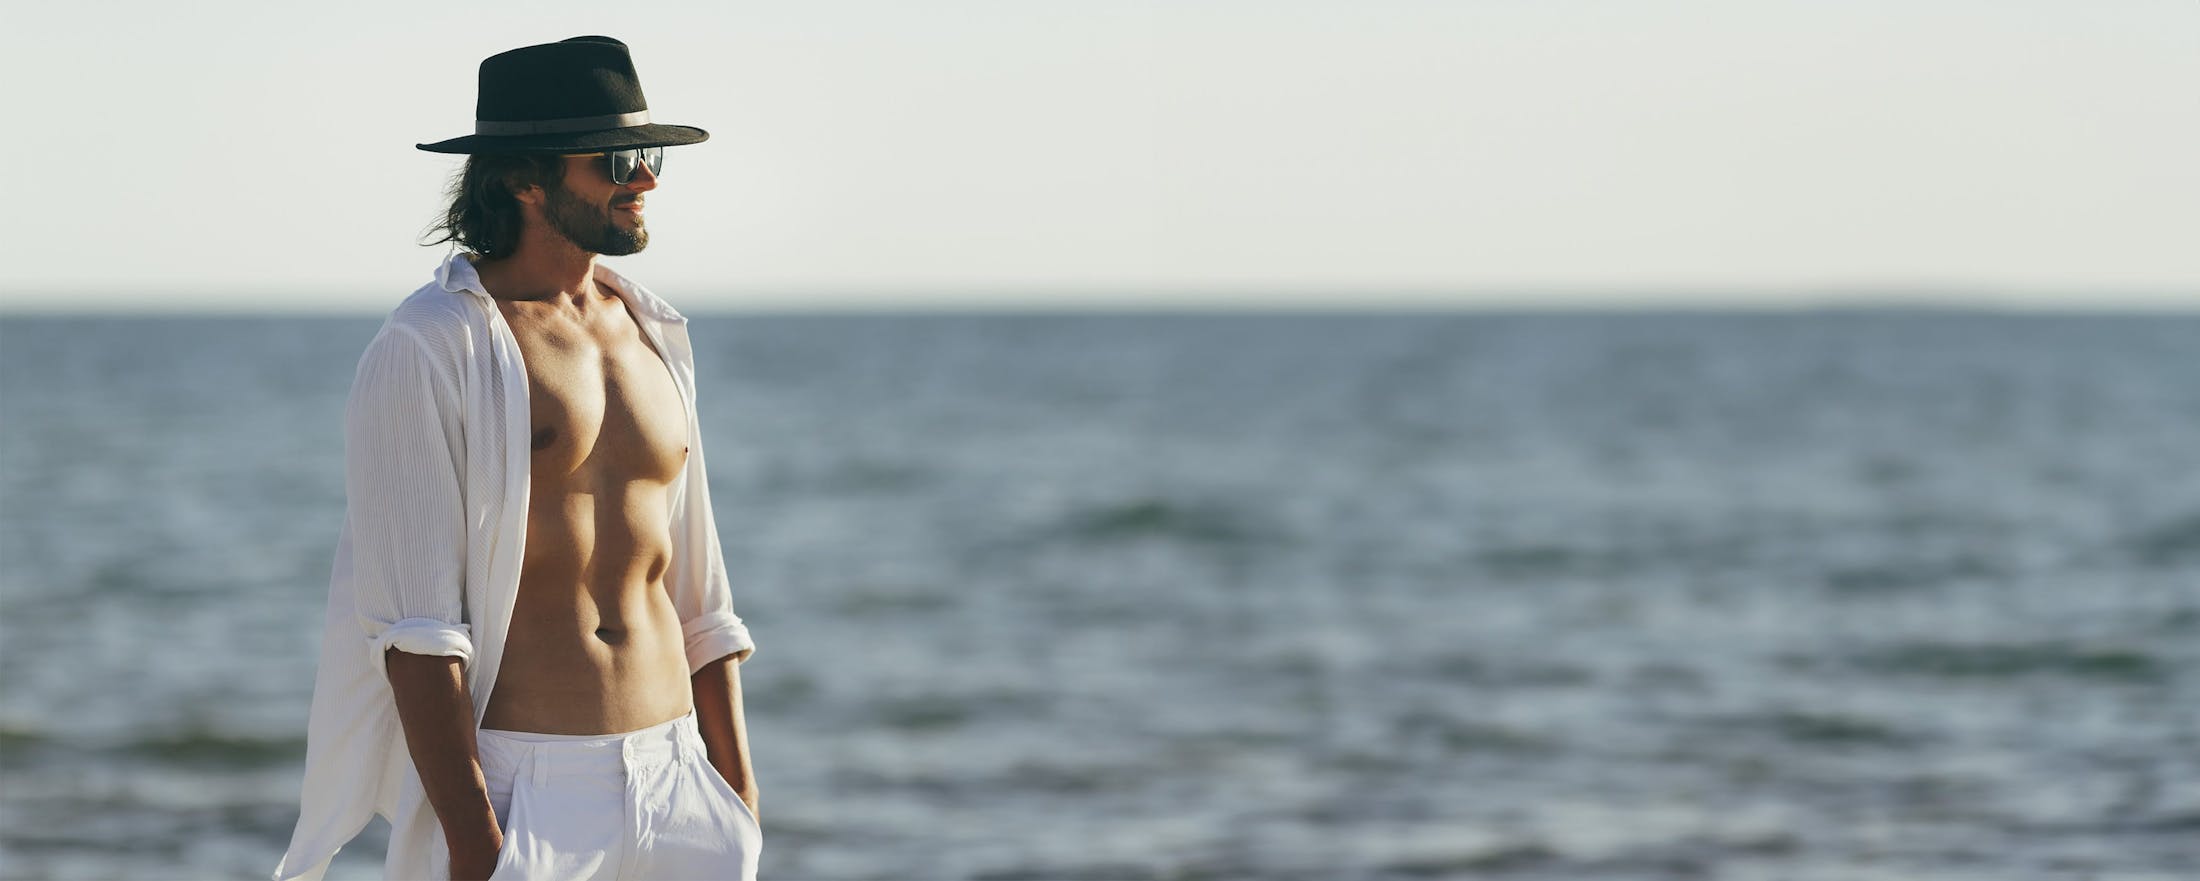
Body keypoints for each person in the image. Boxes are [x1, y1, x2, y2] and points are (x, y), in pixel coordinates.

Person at [274, 36, 761, 881]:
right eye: (617, 160)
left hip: (682, 785)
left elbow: (699, 597)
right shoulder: (429, 346)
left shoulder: (655, 334)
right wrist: (476, 841)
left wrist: (738, 801)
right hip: (526, 795)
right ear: (521, 179)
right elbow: (416, 634)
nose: (644, 180)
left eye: (648, 156)